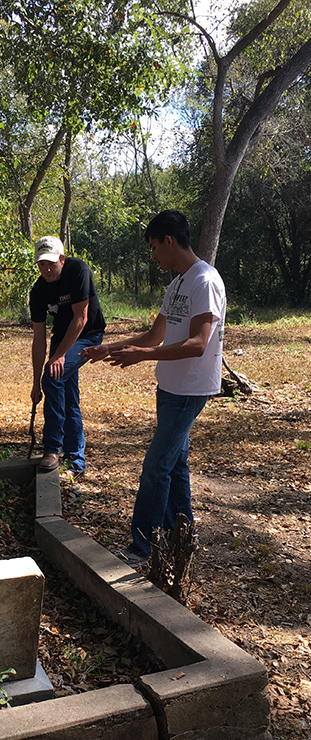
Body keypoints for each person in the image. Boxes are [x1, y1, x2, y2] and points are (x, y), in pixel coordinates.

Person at [82, 210, 226, 565]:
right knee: (175, 465)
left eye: (154, 247)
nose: (153, 256)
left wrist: (144, 356)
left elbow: (198, 343)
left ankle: (143, 547)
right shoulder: (176, 284)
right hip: (169, 387)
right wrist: (110, 348)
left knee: (155, 467)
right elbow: (154, 335)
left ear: (169, 241)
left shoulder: (204, 281)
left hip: (190, 389)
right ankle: (182, 536)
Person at [30, 236, 106, 474]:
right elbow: (39, 338)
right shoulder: (38, 290)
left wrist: (60, 356)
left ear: (62, 259)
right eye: (42, 264)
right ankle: (76, 461)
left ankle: (52, 449)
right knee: (65, 394)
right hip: (61, 339)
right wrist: (35, 383)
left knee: (53, 378)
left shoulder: (78, 270)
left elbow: (81, 318)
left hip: (88, 334)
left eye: (51, 263)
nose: (47, 269)